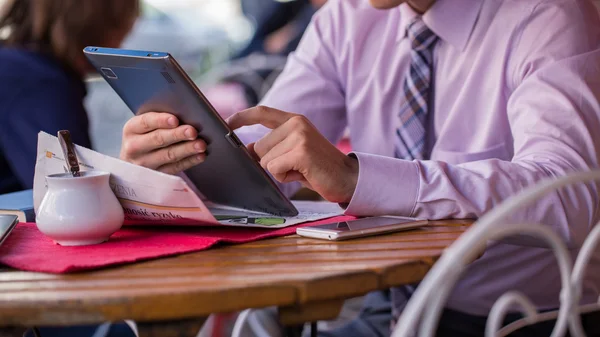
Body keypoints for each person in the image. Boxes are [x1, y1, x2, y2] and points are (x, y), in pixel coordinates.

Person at [118, 0, 600, 335]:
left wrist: (355, 178)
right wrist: (176, 161)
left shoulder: (549, 17)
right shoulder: (347, 19)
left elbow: (571, 197)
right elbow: (262, 149)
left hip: (522, 321)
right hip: (383, 308)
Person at [0, 0, 139, 194]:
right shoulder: (41, 82)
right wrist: (135, 169)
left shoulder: (14, 63)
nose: (122, 45)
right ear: (96, 22)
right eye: (122, 24)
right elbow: (77, 197)